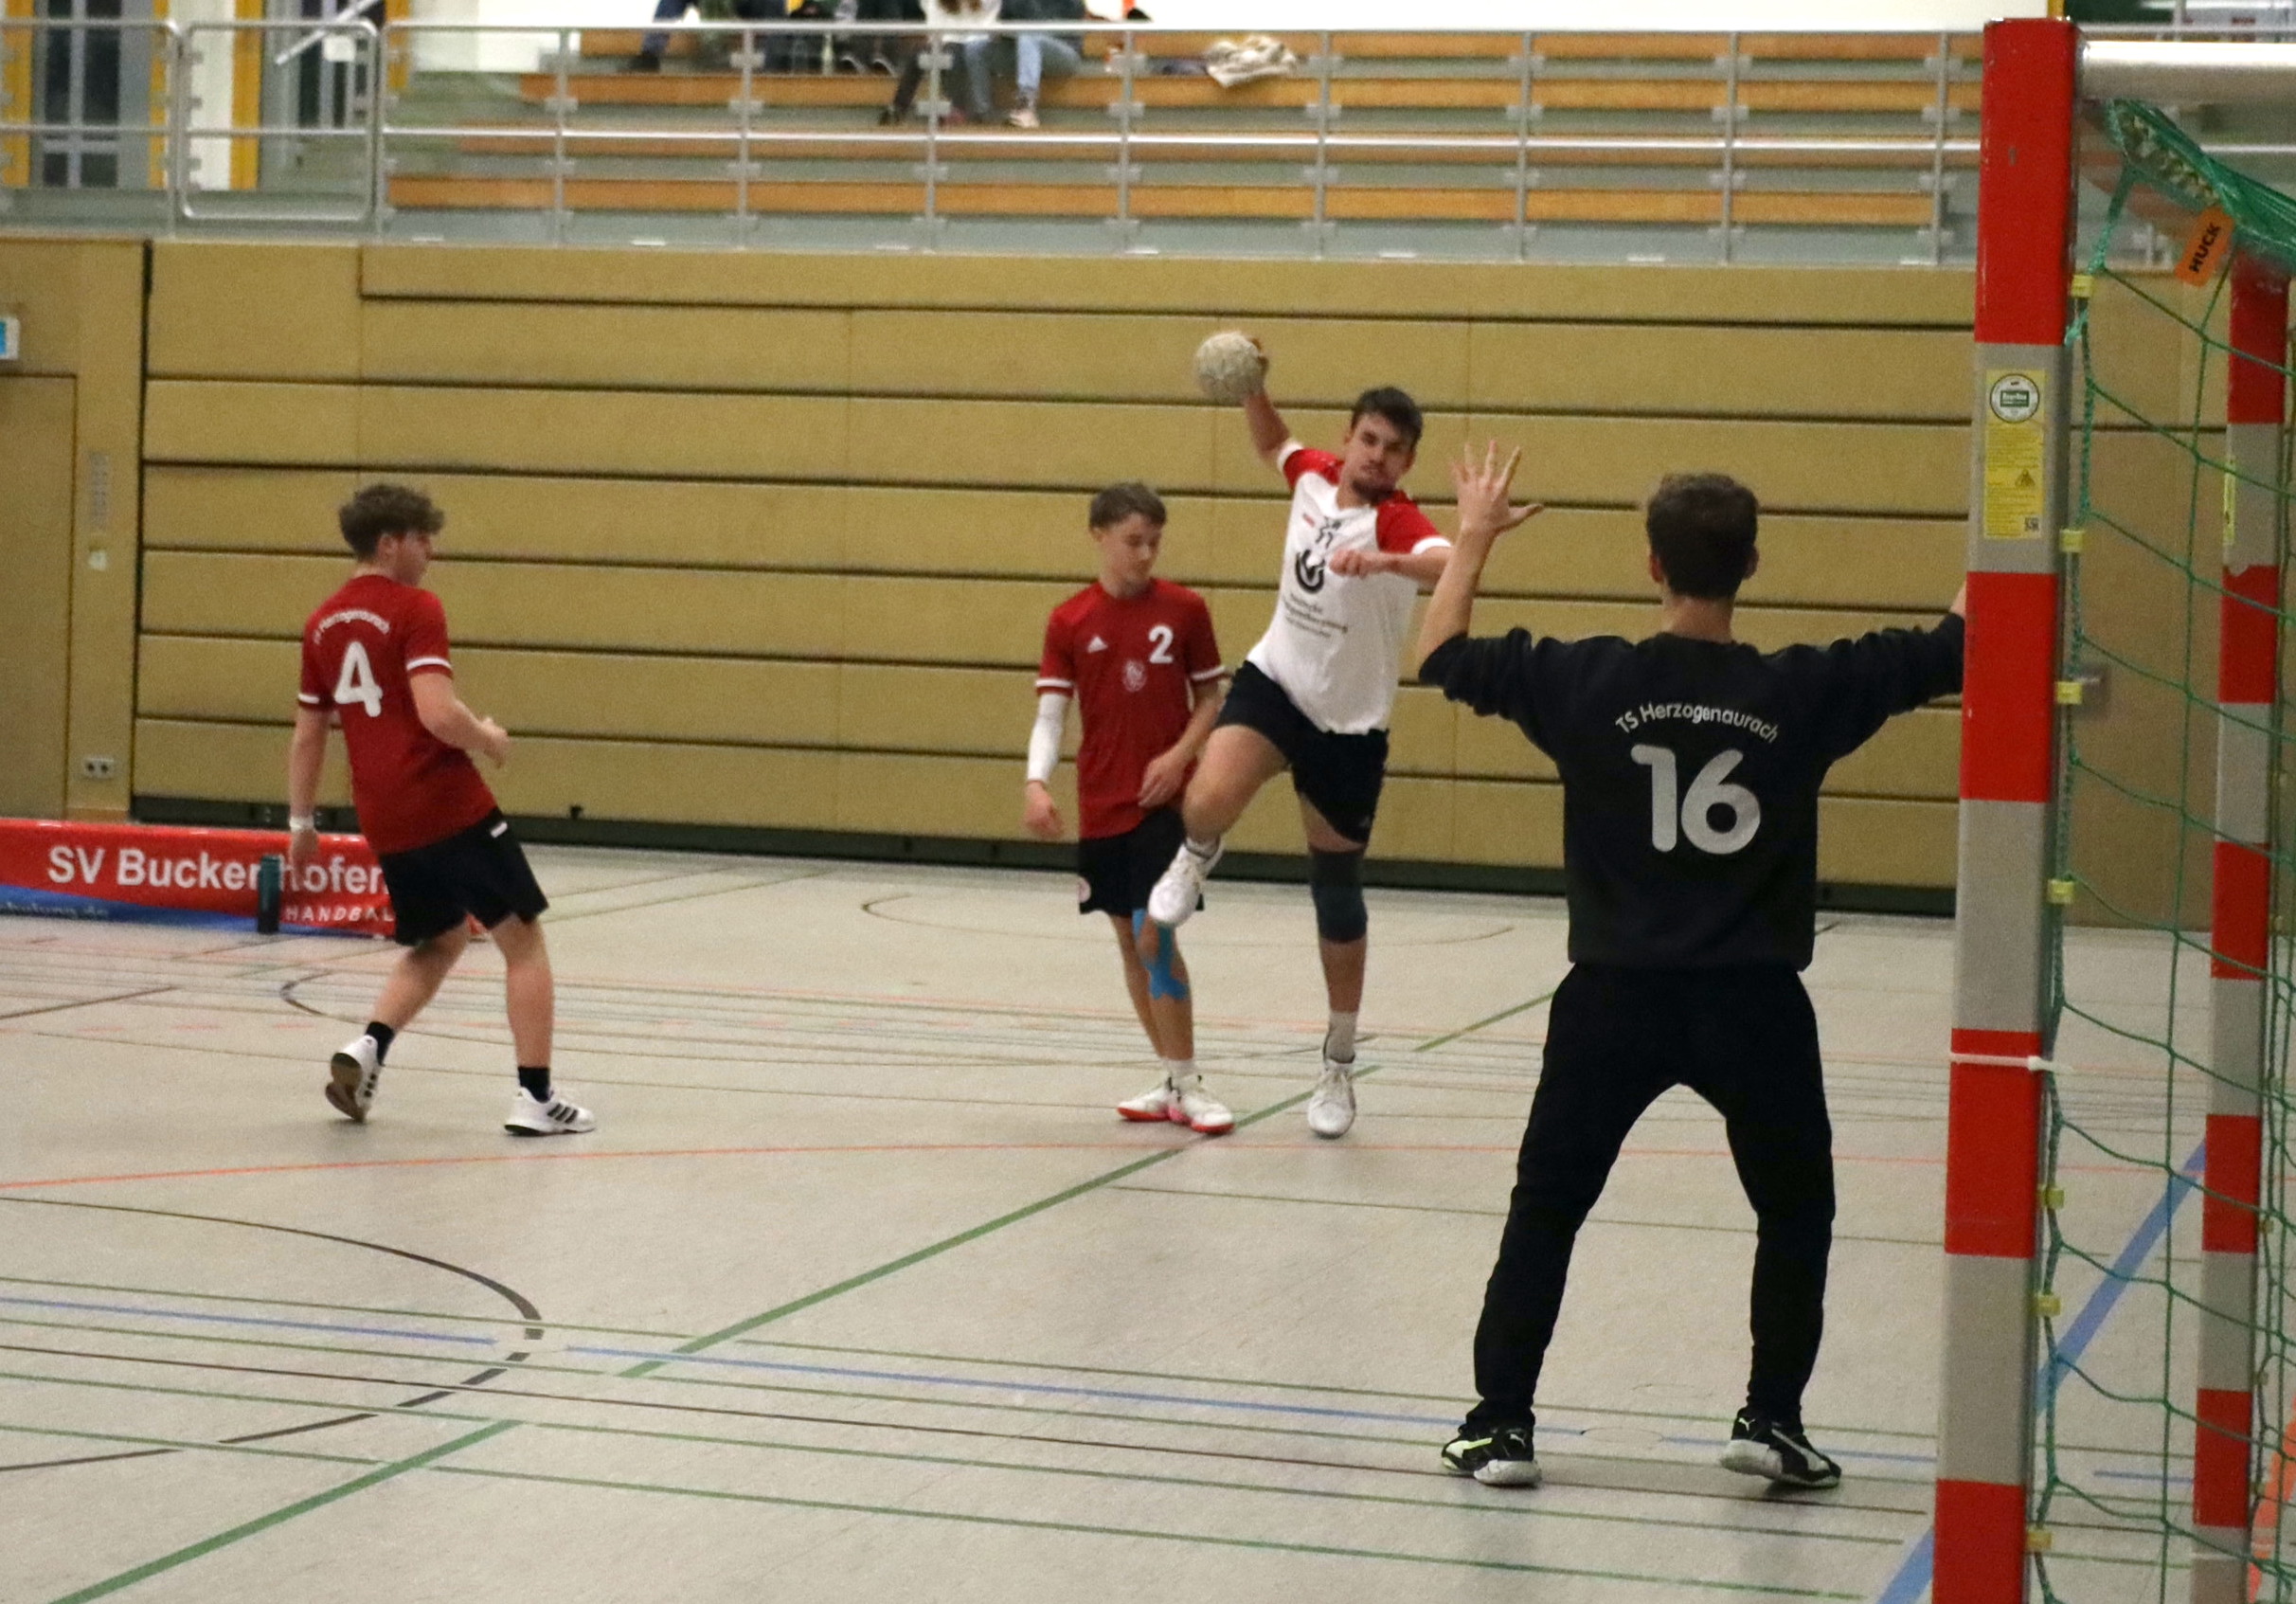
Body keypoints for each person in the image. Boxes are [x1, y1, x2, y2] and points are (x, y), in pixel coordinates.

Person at [1417, 456, 1965, 1491]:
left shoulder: (1585, 680)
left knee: (1548, 1206)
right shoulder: (1801, 690)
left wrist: (1476, 532)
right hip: (1753, 1002)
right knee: (1796, 1211)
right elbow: (1952, 647)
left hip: (1612, 997)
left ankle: (1500, 1424)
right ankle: (1772, 1418)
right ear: (1751, 564)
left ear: (1652, 564)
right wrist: (2009, 525)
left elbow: (1440, 653)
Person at [1142, 355, 1453, 1140]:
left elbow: (1447, 561)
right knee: (1206, 800)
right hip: (1276, 681)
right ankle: (1198, 852)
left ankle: (1338, 1059)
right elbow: (1273, 443)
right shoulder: (1313, 474)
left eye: (1394, 449)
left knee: (1336, 894)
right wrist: (1252, 386)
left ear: (1407, 462)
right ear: (1348, 439)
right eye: (1369, 440)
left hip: (1348, 726)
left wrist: (1384, 561)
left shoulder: (1396, 521)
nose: (1377, 456)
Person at [288, 483, 595, 1140]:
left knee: (442, 937)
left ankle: (369, 1046)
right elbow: (436, 712)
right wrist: (488, 738)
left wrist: (302, 824)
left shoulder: (322, 623)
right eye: (422, 539)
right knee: (522, 939)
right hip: (444, 802)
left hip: (384, 815)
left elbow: (309, 733)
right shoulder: (415, 608)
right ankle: (536, 1097)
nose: (431, 552)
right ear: (389, 543)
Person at [1025, 483, 1232, 1134]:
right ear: (1099, 536)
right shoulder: (1070, 620)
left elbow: (1212, 699)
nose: (1145, 554)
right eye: (1133, 541)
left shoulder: (1185, 610)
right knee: (1128, 940)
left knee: (1153, 933)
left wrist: (1178, 757)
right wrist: (1036, 782)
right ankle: (1171, 1077)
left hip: (1163, 804)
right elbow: (1052, 714)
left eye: (1154, 543)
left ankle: (1190, 1082)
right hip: (1102, 801)